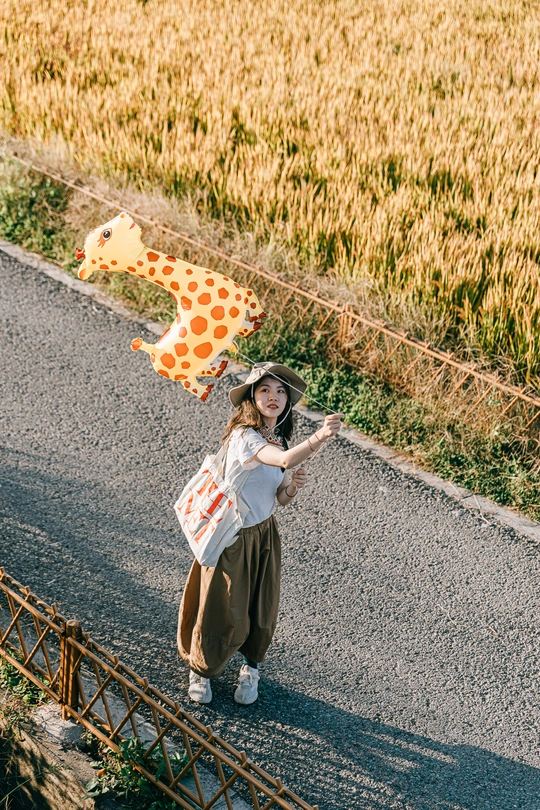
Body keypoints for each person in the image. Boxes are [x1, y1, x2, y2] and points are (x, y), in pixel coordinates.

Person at [177, 361, 343, 705]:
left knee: (261, 608)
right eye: (265, 389)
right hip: (233, 537)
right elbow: (281, 461)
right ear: (252, 397)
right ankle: (202, 670)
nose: (274, 397)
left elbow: (280, 498)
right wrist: (322, 435)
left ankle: (251, 670)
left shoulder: (279, 439)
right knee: (220, 608)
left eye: (281, 391)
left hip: (265, 536)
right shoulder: (244, 438)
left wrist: (293, 488)